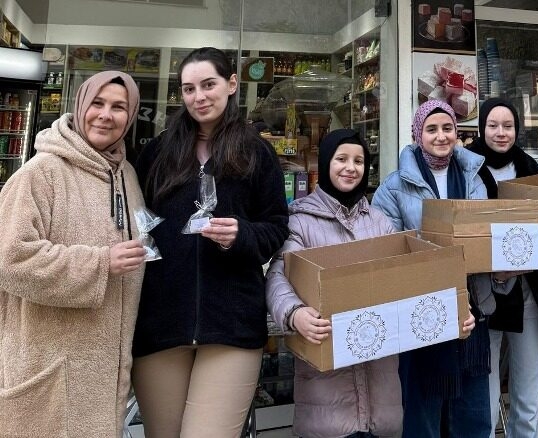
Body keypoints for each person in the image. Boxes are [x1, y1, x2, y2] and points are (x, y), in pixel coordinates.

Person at [131, 47, 289, 438]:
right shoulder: (156, 154)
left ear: (231, 85)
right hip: (161, 325)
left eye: (208, 84)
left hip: (231, 327)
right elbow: (131, 220)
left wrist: (241, 234)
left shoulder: (256, 152)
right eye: (188, 89)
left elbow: (276, 227)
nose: (199, 97)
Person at [0, 71, 146, 437]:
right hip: (49, 368)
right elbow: (10, 260)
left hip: (105, 371)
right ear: (80, 106)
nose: (105, 115)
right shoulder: (40, 173)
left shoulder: (126, 174)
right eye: (97, 103)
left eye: (118, 107)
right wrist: (98, 263)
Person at [265, 128, 402, 438]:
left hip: (383, 398)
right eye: (341, 159)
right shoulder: (300, 220)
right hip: (327, 402)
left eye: (358, 161)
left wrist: (451, 308)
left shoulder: (380, 222)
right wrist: (294, 313)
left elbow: (407, 277)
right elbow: (278, 274)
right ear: (325, 163)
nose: (350, 168)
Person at [372, 99, 487, 437]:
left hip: (470, 307)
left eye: (447, 128)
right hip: (418, 313)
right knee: (422, 413)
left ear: (457, 133)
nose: (441, 136)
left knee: (473, 413)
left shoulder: (473, 178)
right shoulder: (393, 187)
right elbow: (390, 249)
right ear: (417, 135)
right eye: (431, 129)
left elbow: (482, 235)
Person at [468, 97, 538, 438]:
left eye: (508, 126)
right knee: (485, 392)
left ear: (517, 129)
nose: (500, 133)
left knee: (528, 389)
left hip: (528, 291)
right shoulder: (466, 166)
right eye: (493, 125)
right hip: (482, 294)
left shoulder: (530, 168)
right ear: (481, 128)